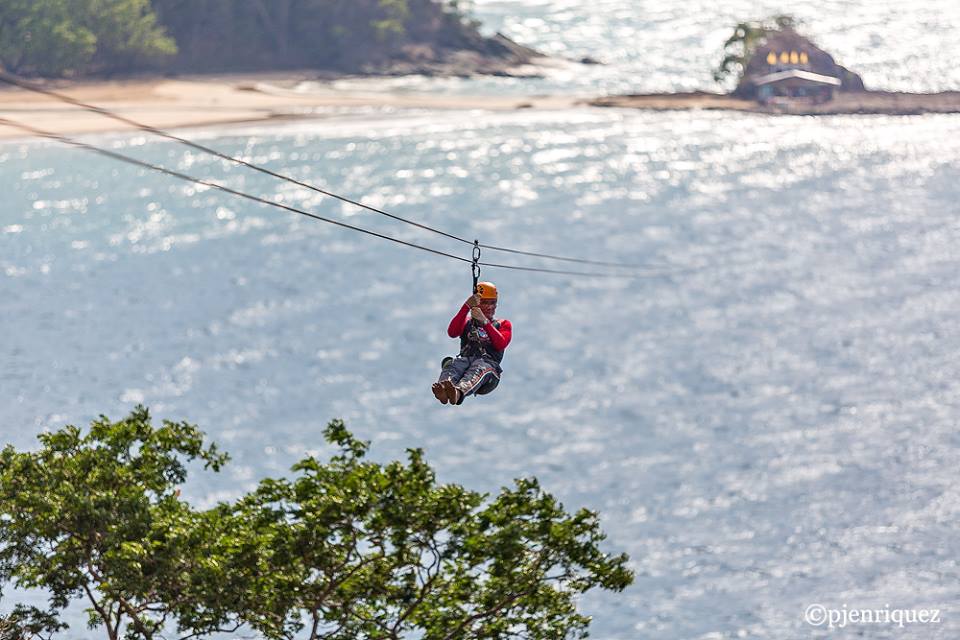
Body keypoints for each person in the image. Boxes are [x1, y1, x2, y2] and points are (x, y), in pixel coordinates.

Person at [432, 281, 512, 405]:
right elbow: (452, 332)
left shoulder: (502, 324)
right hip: (466, 360)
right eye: (485, 303)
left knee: (479, 367)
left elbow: (500, 344)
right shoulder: (468, 322)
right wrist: (466, 307)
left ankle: (458, 392)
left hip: (488, 368)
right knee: (454, 365)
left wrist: (484, 322)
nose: (490, 307)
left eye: (493, 303)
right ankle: (445, 388)